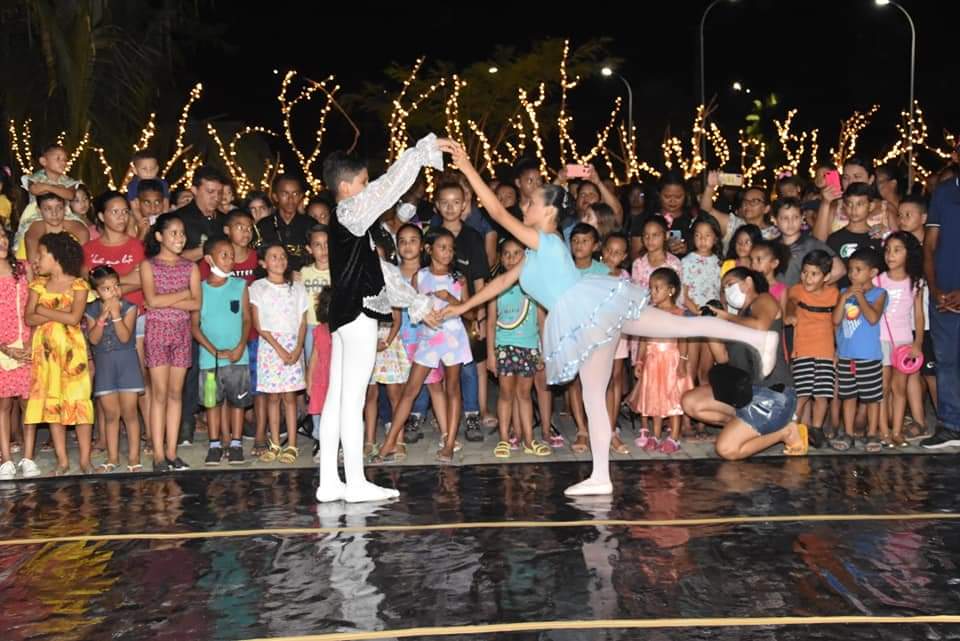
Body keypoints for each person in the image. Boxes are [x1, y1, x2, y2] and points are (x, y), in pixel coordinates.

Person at [442, 141, 781, 496]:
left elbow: (496, 212)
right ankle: (600, 475)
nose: (525, 205)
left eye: (531, 202)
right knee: (593, 394)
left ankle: (758, 339)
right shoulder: (532, 252)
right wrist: (460, 309)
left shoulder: (546, 239)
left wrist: (466, 166)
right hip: (586, 319)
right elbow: (499, 282)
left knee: (680, 327)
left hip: (591, 309)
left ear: (548, 213)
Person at [316, 135, 442, 503]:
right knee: (351, 400)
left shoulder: (354, 226)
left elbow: (384, 274)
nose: (368, 188)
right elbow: (387, 190)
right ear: (346, 187)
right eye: (363, 182)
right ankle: (354, 482)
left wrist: (418, 304)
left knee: (338, 400)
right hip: (357, 316)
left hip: (345, 316)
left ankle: (329, 482)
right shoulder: (350, 213)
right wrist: (418, 155)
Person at [681, 267, 806, 461]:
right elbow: (723, 359)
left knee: (726, 450)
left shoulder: (764, 300)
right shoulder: (738, 318)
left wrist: (725, 317)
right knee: (691, 402)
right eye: (724, 288)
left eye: (730, 284)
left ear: (748, 282)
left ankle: (786, 432)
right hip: (745, 394)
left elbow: (759, 326)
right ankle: (744, 428)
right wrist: (710, 325)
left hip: (773, 395)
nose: (727, 291)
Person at [376, 228, 473, 464]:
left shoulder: (458, 278)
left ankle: (449, 443)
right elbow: (412, 307)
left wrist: (450, 299)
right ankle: (389, 443)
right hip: (428, 338)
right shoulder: (419, 276)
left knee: (452, 389)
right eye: (442, 247)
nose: (448, 252)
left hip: (453, 338)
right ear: (429, 249)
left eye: (451, 248)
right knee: (411, 389)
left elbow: (470, 312)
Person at [24, 232, 94, 475]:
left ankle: (85, 460)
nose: (37, 259)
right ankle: (62, 460)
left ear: (56, 257)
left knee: (79, 403)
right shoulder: (38, 285)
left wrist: (44, 309)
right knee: (53, 406)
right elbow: (29, 317)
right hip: (45, 355)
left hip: (73, 354)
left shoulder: (79, 285)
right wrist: (55, 312)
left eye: (42, 254)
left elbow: (75, 318)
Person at [140, 213, 201, 472]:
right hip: (156, 333)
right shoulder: (148, 265)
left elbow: (196, 303)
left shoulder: (190, 267)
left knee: (176, 394)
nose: (180, 237)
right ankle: (157, 455)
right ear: (159, 236)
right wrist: (182, 294)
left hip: (180, 334)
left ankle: (172, 452)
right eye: (173, 232)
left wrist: (169, 299)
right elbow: (151, 301)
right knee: (160, 394)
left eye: (182, 232)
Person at [487, 237, 548, 458]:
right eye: (507, 254)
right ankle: (504, 439)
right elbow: (491, 322)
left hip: (529, 347)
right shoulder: (497, 287)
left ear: (526, 257)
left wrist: (543, 350)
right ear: (501, 258)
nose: (512, 259)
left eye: (517, 253)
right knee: (505, 393)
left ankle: (529, 440)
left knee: (524, 394)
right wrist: (490, 355)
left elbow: (541, 320)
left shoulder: (533, 286)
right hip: (504, 346)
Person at [193, 238, 252, 466]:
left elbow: (247, 319)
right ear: (209, 259)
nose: (230, 260)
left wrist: (240, 346)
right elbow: (194, 326)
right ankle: (214, 444)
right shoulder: (199, 289)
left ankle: (236, 444)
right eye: (223, 255)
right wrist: (213, 351)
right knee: (211, 402)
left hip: (238, 356)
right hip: (210, 359)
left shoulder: (240, 286)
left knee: (238, 402)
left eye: (231, 255)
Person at [249, 244, 308, 464]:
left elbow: (302, 321)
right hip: (270, 346)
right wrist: (279, 348)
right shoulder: (257, 287)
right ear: (263, 263)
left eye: (283, 256)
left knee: (290, 396)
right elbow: (259, 323)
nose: (279, 260)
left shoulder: (297, 287)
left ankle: (291, 444)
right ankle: (274, 442)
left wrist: (298, 347)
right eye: (273, 257)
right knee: (272, 397)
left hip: (293, 344)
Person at [84, 265, 144, 472]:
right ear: (96, 292)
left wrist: (116, 315)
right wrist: (101, 319)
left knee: (129, 413)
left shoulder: (129, 307)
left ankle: (134, 457)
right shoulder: (91, 310)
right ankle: (112, 458)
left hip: (126, 363)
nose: (112, 292)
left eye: (115, 286)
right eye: (106, 289)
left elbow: (125, 337)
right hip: (105, 365)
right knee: (111, 414)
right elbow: (93, 339)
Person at [628, 268, 692, 455]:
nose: (653, 292)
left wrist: (682, 361)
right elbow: (643, 339)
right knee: (654, 398)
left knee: (673, 399)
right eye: (651, 288)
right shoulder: (649, 312)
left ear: (671, 290)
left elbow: (684, 341)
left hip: (671, 360)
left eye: (657, 288)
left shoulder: (679, 313)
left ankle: (674, 437)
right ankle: (655, 435)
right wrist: (639, 362)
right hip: (653, 361)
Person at [830, 248, 887, 452]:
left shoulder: (879, 294)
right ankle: (848, 432)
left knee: (871, 398)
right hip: (847, 355)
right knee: (848, 396)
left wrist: (860, 297)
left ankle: (872, 434)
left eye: (858, 270)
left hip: (868, 356)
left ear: (872, 273)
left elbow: (873, 318)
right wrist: (845, 298)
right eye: (850, 269)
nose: (852, 274)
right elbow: (835, 320)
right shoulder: (844, 292)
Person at [921, 175, 960, 449]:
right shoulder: (943, 192)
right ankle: (951, 425)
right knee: (946, 361)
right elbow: (929, 245)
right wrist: (934, 289)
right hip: (944, 296)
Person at [785, 250, 839, 448]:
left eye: (814, 274)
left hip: (825, 350)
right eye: (805, 272)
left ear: (826, 277)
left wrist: (837, 350)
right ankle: (792, 428)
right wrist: (790, 315)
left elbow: (837, 323)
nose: (808, 278)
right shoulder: (797, 290)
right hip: (803, 350)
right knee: (803, 392)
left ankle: (816, 429)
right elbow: (790, 304)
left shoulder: (834, 294)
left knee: (822, 393)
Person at [877, 232, 926, 447]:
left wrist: (918, 344)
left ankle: (897, 431)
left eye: (897, 250)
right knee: (882, 388)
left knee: (900, 389)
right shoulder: (877, 280)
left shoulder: (916, 283)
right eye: (888, 250)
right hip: (879, 341)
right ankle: (883, 431)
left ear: (909, 254)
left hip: (904, 342)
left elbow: (918, 316)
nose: (890, 255)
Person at [0, 227, 32, 479]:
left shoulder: (22, 268)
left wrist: (32, 344)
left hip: (28, 345)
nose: (0, 241)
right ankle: (6, 459)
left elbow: (36, 303)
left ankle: (28, 457)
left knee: (28, 402)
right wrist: (5, 348)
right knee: (4, 404)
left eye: (2, 235)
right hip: (2, 347)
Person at [257, 174, 314, 270]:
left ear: (301, 196)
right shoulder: (264, 225)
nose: (290, 199)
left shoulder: (310, 225)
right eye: (285, 194)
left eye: (295, 194)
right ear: (275, 197)